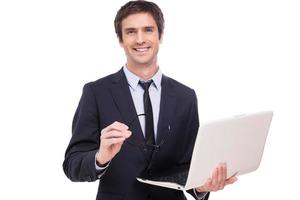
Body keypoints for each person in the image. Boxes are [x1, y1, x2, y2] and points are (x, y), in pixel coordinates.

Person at [63, 1, 237, 200]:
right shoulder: (96, 92)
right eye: (130, 32)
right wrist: (100, 158)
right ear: (120, 40)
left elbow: (188, 167)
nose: (140, 39)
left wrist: (201, 187)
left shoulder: (185, 96)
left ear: (160, 35)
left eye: (148, 30)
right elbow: (72, 165)